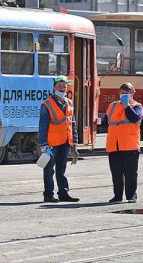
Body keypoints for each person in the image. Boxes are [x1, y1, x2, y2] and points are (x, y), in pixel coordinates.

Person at [38, 75, 79, 203]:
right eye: (59, 86)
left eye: (64, 86)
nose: (62, 89)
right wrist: (44, 144)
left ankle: (63, 193)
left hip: (65, 142)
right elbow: (43, 126)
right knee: (49, 170)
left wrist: (74, 142)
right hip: (51, 143)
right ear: (54, 87)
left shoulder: (69, 102)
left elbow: (72, 123)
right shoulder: (46, 104)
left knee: (61, 169)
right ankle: (48, 195)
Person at [103, 82, 143, 203]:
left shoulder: (137, 106)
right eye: (122, 93)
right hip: (114, 145)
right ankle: (117, 196)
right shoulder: (112, 106)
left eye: (127, 93)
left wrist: (126, 106)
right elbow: (106, 122)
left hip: (130, 145)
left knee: (131, 173)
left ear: (132, 94)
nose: (124, 95)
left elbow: (135, 118)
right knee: (116, 173)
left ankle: (131, 196)